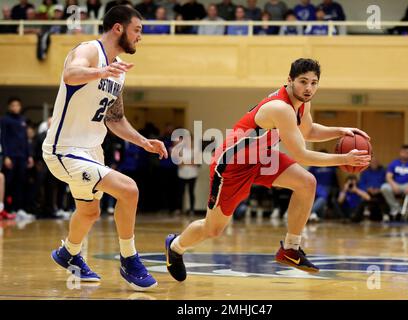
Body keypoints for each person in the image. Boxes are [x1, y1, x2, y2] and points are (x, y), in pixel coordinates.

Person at [164, 58, 371, 281]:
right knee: (213, 229)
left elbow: (308, 131)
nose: (309, 88)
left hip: (262, 157)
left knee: (307, 182)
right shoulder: (280, 108)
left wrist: (341, 131)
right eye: (303, 81)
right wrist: (344, 158)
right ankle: (175, 246)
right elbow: (301, 154)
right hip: (232, 165)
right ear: (289, 80)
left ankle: (291, 249)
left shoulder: (302, 103)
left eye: (314, 83)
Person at [43, 5, 168, 291]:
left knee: (89, 213)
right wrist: (101, 71)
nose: (140, 37)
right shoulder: (90, 50)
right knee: (129, 190)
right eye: (137, 30)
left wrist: (143, 141)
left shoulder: (118, 72)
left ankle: (68, 253)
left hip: (92, 151)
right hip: (64, 150)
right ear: (118, 28)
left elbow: (115, 118)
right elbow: (70, 74)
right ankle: (129, 258)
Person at [1, 97, 35, 221]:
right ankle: (6, 209)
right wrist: (6, 156)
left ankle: (19, 210)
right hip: (11, 157)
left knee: (20, 183)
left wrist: (29, 155)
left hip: (22, 157)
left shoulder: (23, 120)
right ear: (9, 107)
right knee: (8, 183)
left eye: (17, 105)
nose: (15, 107)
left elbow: (26, 140)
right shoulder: (4, 120)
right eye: (13, 105)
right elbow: (3, 139)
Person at [381, 144, 408, 220]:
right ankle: (395, 208)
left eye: (407, 153)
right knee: (384, 187)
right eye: (403, 152)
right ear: (400, 152)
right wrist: (393, 185)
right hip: (396, 184)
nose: (405, 154)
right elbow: (388, 176)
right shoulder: (394, 163)